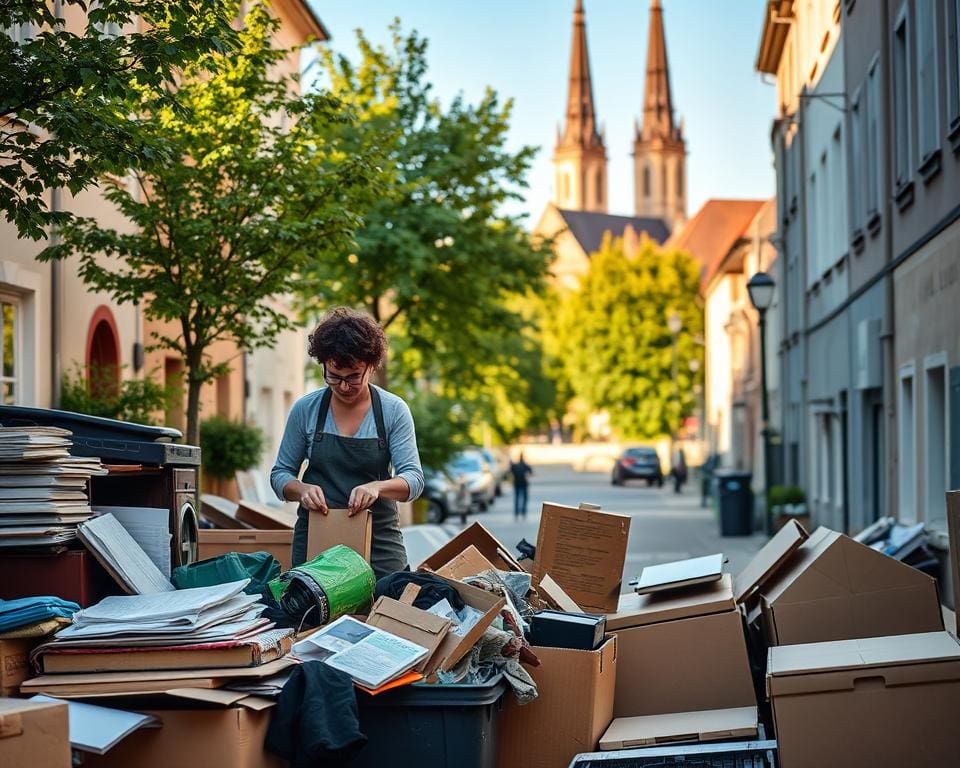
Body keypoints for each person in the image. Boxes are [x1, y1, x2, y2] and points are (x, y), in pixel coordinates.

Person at [270, 307, 424, 579]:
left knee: (387, 610)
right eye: (334, 375)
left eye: (354, 376)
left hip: (379, 541)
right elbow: (280, 475)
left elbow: (413, 481)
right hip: (318, 539)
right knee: (312, 616)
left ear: (372, 367)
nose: (343, 386)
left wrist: (378, 487)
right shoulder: (306, 410)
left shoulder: (393, 410)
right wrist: (302, 489)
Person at [510, 452, 533, 520]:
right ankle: (523, 512)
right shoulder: (525, 465)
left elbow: (510, 472)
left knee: (517, 499)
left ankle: (516, 513)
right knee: (524, 499)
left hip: (517, 483)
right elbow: (531, 473)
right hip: (524, 483)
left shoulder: (515, 465)